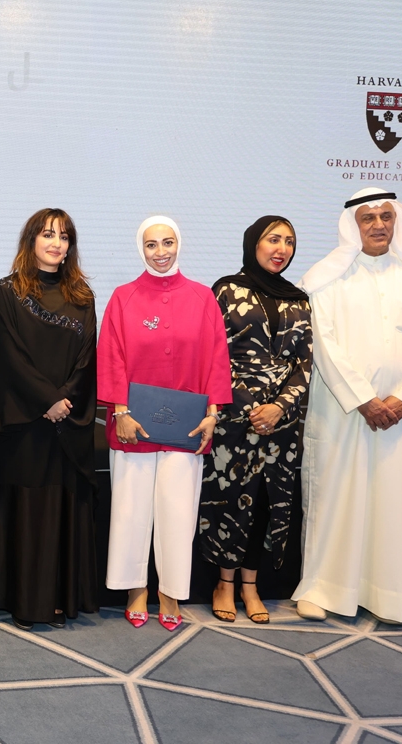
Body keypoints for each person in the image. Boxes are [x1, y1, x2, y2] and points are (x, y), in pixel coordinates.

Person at [291, 188, 402, 625]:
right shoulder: (327, 279)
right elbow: (324, 344)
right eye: (368, 218)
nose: (379, 225)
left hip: (395, 416)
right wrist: (364, 399)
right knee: (335, 497)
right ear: (353, 226)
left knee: (387, 501)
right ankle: (321, 589)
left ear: (397, 222)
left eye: (386, 216)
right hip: (342, 412)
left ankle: (382, 593)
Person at [98, 215, 232, 631]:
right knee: (130, 510)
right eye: (152, 244)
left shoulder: (202, 298)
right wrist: (120, 412)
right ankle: (135, 588)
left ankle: (170, 592)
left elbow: (217, 359)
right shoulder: (123, 297)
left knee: (178, 512)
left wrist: (213, 415)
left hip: (187, 428)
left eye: (168, 242)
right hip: (133, 424)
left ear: (179, 245)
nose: (161, 252)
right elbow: (111, 356)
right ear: (142, 249)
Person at [0, 208, 100, 629]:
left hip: (66, 424)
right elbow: (10, 355)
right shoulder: (7, 291)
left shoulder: (82, 294)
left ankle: (58, 599)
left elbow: (87, 357)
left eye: (64, 236)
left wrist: (65, 400)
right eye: (47, 234)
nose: (56, 243)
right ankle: (24, 601)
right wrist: (47, 399)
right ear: (31, 240)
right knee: (25, 510)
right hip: (24, 422)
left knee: (61, 507)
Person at [199, 216, 311, 625]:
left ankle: (251, 584)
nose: (281, 249)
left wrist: (279, 407)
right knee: (232, 499)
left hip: (282, 425)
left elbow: (305, 363)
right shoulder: (227, 290)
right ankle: (224, 583)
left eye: (289, 241)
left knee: (267, 502)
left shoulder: (299, 299)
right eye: (273, 239)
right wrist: (250, 408)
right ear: (253, 244)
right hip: (234, 420)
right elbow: (212, 355)